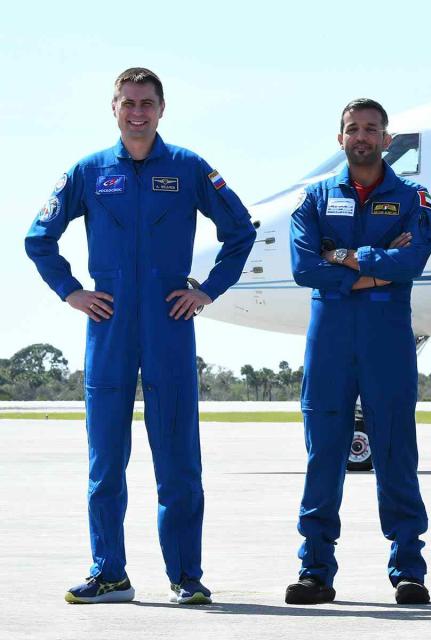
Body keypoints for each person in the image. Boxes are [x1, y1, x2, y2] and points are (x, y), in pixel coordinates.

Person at [25, 68, 256, 605]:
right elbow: (40, 238)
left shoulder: (189, 168)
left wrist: (207, 290)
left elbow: (240, 232)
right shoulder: (88, 171)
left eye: (147, 102)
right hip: (108, 326)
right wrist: (72, 292)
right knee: (106, 460)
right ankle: (110, 572)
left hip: (169, 324)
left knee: (178, 459)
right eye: (128, 102)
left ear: (161, 109)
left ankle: (186, 577)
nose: (137, 111)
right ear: (113, 107)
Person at [285, 98, 431, 606]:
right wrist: (378, 267)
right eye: (353, 129)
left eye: (372, 129)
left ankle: (408, 569)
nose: (362, 136)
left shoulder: (414, 198)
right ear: (340, 139)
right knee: (323, 453)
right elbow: (306, 268)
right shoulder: (313, 199)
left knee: (396, 449)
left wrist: (348, 258)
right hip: (330, 338)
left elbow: (415, 258)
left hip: (386, 337)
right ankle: (315, 569)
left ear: (387, 139)